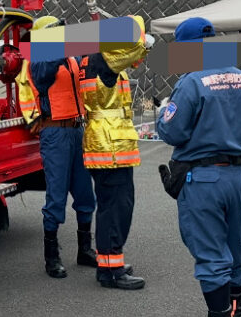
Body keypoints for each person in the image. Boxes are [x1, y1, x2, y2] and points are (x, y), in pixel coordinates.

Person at [156, 17, 241, 317]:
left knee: (210, 252)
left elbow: (172, 131)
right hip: (237, 175)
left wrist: (161, 113)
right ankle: (234, 314)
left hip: (203, 178)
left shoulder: (192, 82)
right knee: (234, 246)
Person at [17, 15, 97, 279]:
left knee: (86, 195)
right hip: (55, 133)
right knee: (57, 197)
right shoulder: (38, 59)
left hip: (76, 130)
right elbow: (44, 75)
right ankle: (51, 257)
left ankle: (85, 250)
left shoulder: (70, 57)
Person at [80, 16, 150, 291]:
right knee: (117, 207)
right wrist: (141, 35)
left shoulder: (93, 58)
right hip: (109, 146)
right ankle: (112, 270)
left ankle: (109, 263)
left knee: (112, 205)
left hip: (106, 144)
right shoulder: (104, 59)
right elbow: (133, 50)